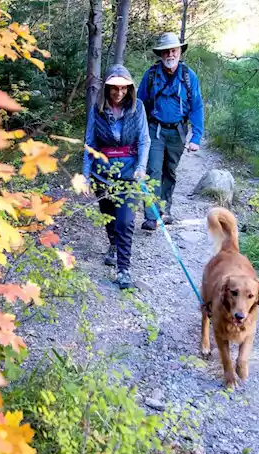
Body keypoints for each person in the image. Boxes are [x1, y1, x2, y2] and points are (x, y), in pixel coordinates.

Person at [83, 64, 150, 291]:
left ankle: (123, 269)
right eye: (114, 89)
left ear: (129, 89)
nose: (119, 93)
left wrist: (141, 167)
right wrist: (85, 175)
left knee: (125, 220)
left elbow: (144, 140)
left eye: (123, 88)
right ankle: (113, 244)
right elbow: (90, 143)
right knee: (109, 217)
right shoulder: (97, 110)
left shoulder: (138, 108)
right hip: (102, 174)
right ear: (107, 88)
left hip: (130, 174)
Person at [136, 31, 205, 231]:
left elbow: (197, 106)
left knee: (170, 172)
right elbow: (140, 105)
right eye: (166, 52)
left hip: (178, 132)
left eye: (173, 50)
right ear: (161, 54)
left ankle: (164, 211)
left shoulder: (188, 76)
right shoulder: (150, 75)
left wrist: (196, 137)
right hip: (154, 130)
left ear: (179, 52)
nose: (170, 55)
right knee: (153, 171)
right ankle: (151, 215)